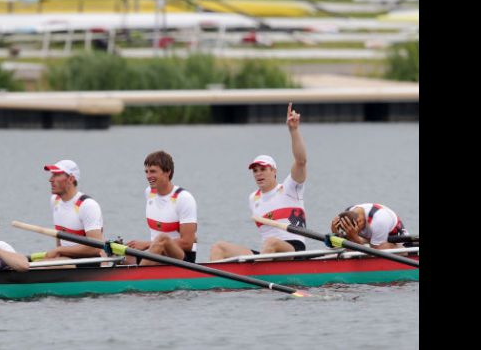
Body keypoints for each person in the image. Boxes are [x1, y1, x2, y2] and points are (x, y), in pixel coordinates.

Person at [209, 103, 308, 260]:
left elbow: (301, 161)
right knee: (218, 247)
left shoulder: (290, 188)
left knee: (271, 242)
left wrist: (293, 131)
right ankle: (215, 277)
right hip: (267, 253)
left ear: (274, 171)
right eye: (255, 171)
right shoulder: (253, 198)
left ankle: (260, 272)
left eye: (263, 169)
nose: (258, 174)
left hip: (294, 252)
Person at [125, 150, 198, 265]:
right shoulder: (149, 193)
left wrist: (147, 244)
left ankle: (137, 275)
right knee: (128, 251)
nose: (148, 176)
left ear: (167, 172)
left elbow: (188, 243)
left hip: (182, 259)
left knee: (162, 239)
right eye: (146, 172)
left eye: (153, 171)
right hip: (157, 253)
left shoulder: (184, 198)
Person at [35, 160, 105, 265]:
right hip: (67, 260)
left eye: (56, 175)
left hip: (88, 263)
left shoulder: (88, 205)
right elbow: (60, 238)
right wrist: (58, 253)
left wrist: (59, 251)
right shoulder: (55, 201)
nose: (50, 179)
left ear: (71, 179)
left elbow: (96, 247)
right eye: (52, 175)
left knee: (36, 267)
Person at [331, 203, 410, 250]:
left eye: (354, 230)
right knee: (348, 242)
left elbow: (375, 251)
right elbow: (348, 241)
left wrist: (355, 238)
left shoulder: (379, 220)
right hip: (372, 239)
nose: (348, 231)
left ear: (359, 221)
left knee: (381, 248)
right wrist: (336, 233)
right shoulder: (350, 212)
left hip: (399, 243)